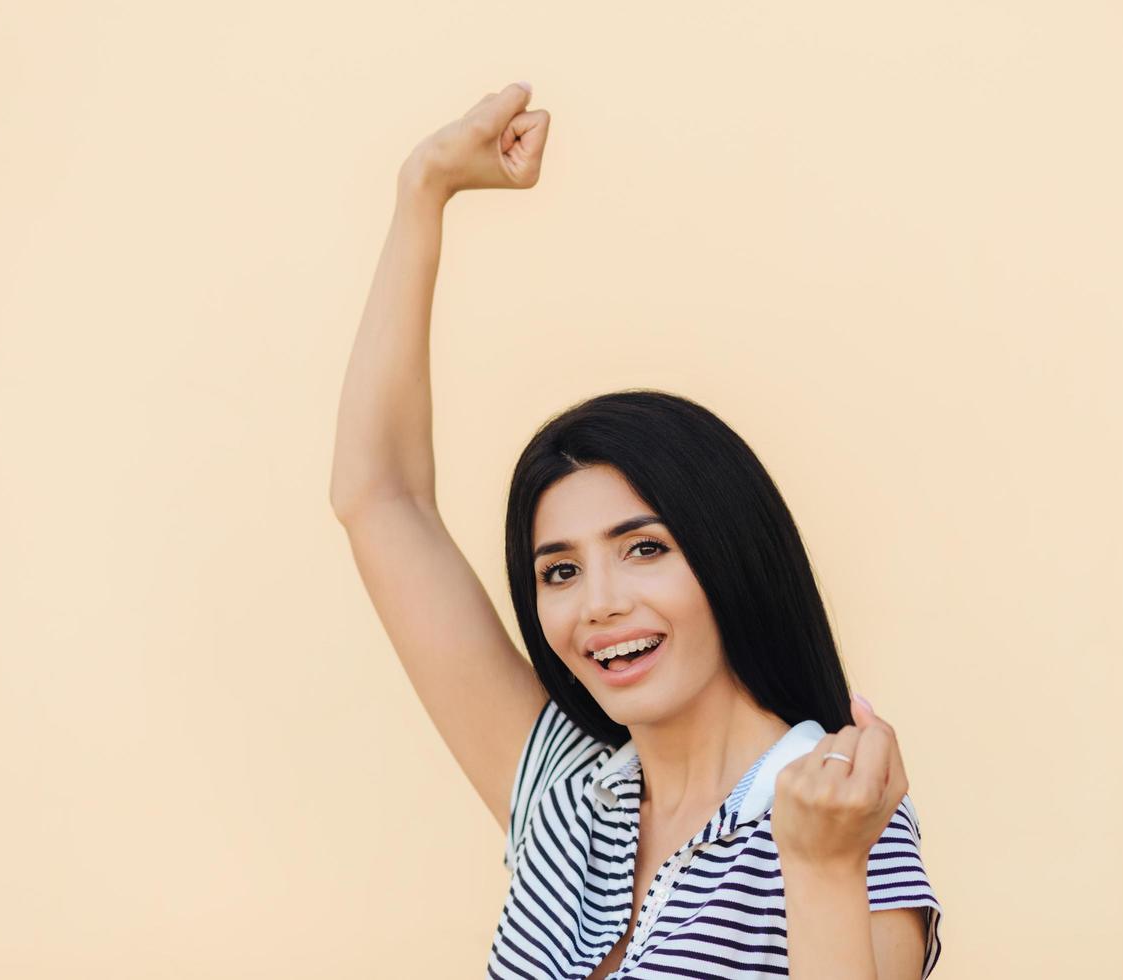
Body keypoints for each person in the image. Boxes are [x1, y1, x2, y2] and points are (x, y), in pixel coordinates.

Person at [329, 81, 944, 979]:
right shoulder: (571, 800)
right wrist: (423, 189)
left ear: (729, 558)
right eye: (560, 572)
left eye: (645, 549)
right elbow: (378, 496)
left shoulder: (841, 818)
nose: (600, 605)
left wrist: (818, 866)